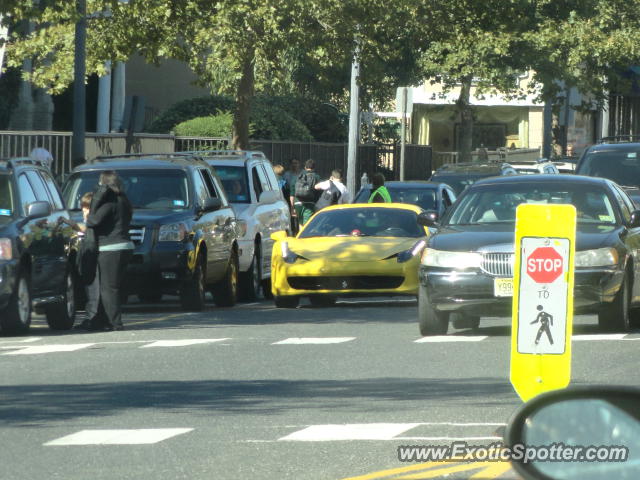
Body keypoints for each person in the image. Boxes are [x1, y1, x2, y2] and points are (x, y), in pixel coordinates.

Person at [85, 171, 134, 331]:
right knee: (114, 286)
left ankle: (115, 323)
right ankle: (102, 320)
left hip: (110, 248)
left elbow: (94, 221)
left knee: (108, 288)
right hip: (125, 246)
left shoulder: (110, 202)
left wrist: (90, 211)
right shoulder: (124, 200)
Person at [62, 193, 102, 330]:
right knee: (90, 289)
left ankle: (92, 318)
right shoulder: (90, 223)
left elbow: (86, 229)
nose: (84, 212)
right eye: (83, 209)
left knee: (94, 289)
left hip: (94, 260)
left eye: (87, 209)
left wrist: (72, 224)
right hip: (87, 260)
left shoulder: (95, 224)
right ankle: (90, 317)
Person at [293, 159, 321, 225]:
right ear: (314, 168)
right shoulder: (316, 177)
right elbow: (319, 192)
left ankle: (299, 234)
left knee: (300, 224)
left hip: (297, 202)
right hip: (309, 203)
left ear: (305, 167)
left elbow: (292, 193)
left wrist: (292, 207)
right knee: (306, 225)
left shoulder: (298, 176)